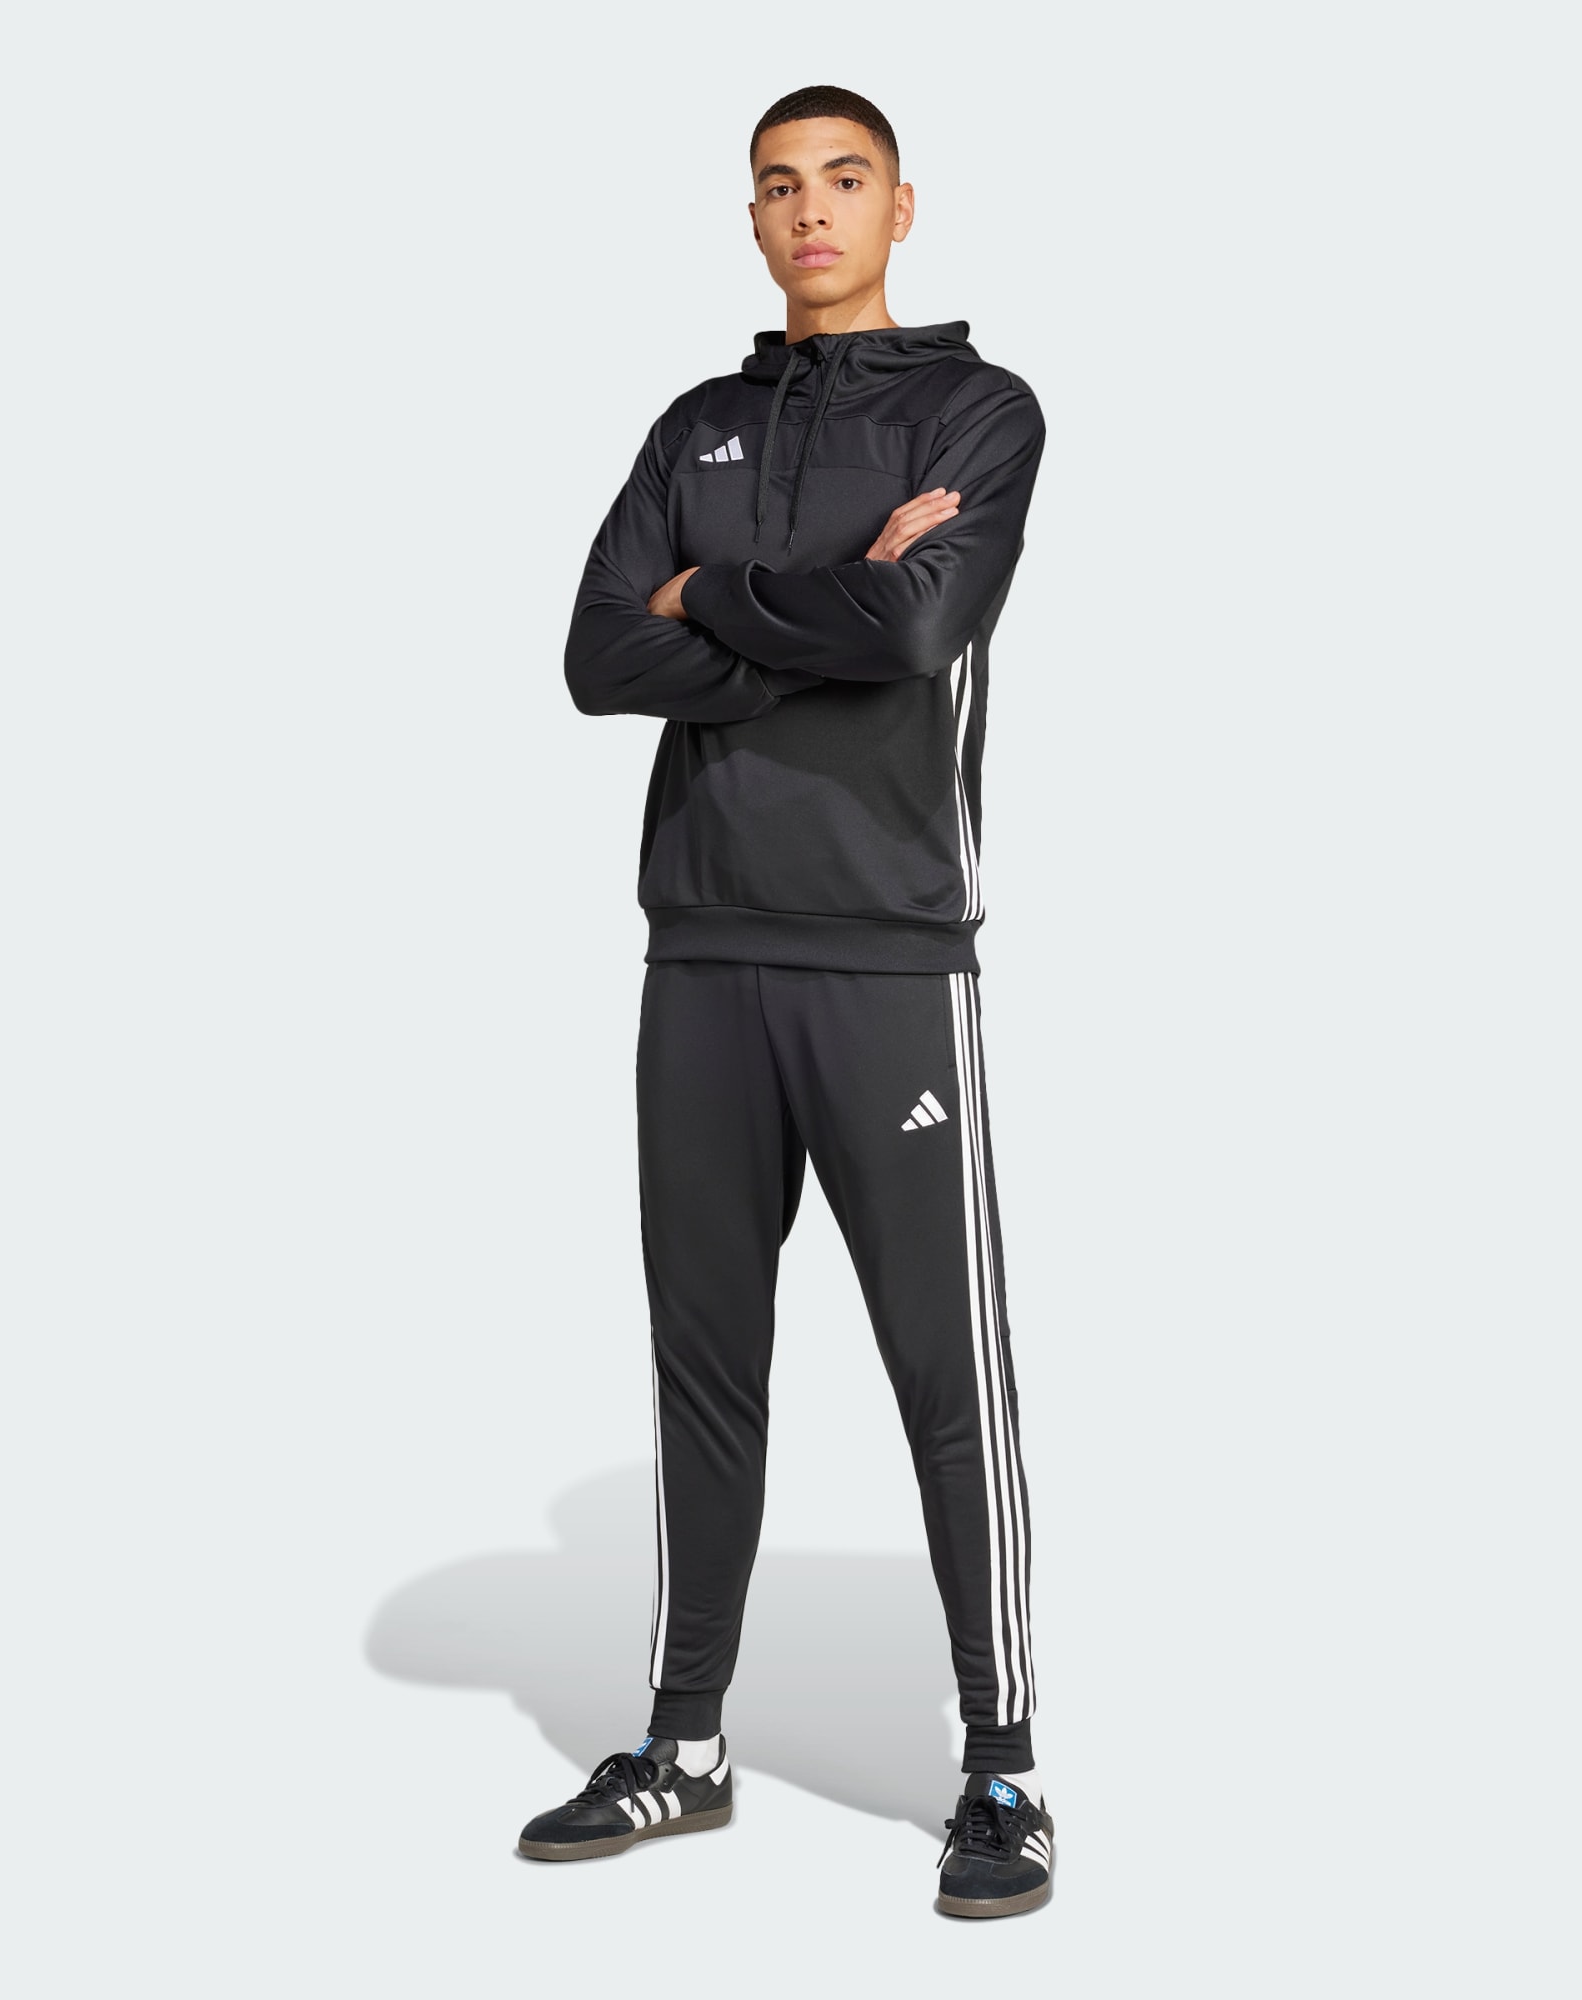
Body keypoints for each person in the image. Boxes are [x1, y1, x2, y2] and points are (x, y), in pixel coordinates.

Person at [521, 84, 1053, 1919]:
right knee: (704, 1368)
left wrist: (714, 602)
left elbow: (921, 633)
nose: (810, 209)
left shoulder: (979, 411)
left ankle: (1003, 1765)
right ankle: (685, 1746)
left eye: (843, 179)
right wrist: (820, 599)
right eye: (777, 186)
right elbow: (597, 655)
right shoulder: (696, 424)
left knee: (944, 1371)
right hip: (700, 953)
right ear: (750, 220)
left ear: (900, 206)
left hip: (888, 955)